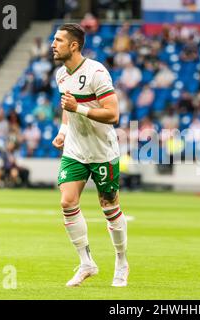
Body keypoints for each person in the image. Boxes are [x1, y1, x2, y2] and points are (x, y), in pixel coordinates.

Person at [51, 23, 129, 288]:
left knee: (109, 206)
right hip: (75, 149)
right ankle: (86, 263)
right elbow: (66, 106)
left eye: (59, 40)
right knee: (67, 202)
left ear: (73, 45)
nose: (53, 44)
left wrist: (80, 109)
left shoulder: (97, 72)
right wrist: (63, 130)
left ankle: (121, 261)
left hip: (102, 150)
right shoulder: (61, 74)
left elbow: (113, 114)